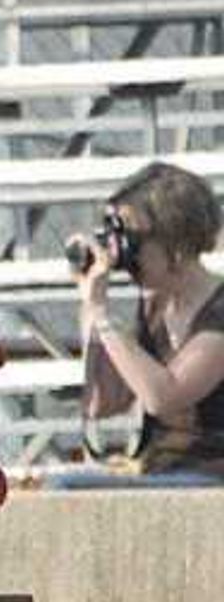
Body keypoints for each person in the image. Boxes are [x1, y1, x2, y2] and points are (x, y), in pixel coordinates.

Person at [69, 159, 224, 483]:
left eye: (132, 240)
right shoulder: (156, 305)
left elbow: (163, 396)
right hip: (165, 473)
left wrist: (102, 315)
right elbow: (103, 403)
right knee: (64, 488)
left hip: (211, 475)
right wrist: (92, 310)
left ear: (175, 244)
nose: (125, 252)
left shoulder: (218, 311)